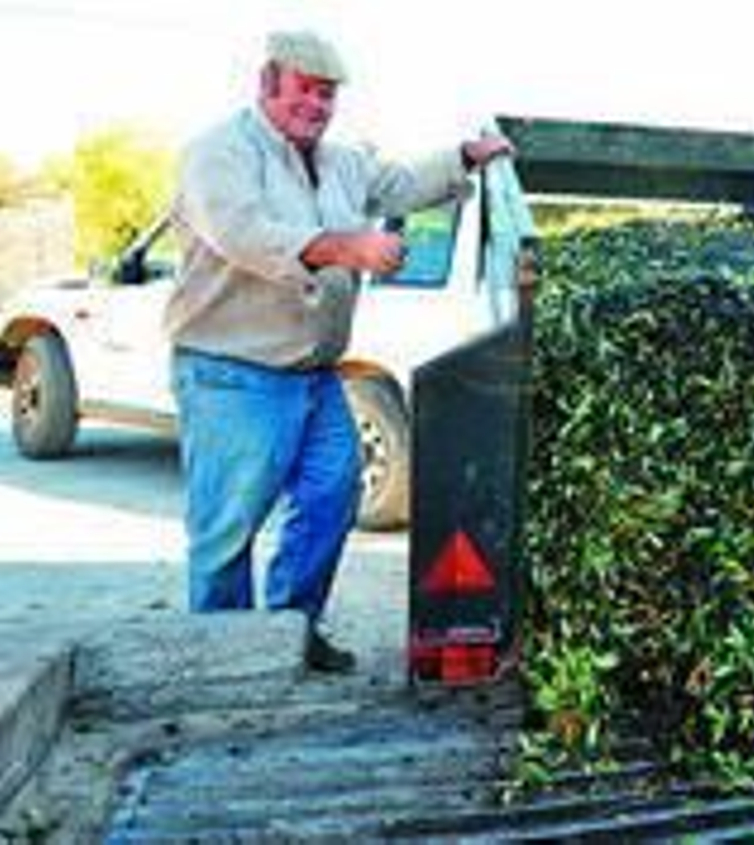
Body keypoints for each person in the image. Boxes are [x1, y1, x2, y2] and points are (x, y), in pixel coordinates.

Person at [165, 30, 512, 672]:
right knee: (228, 526)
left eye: (327, 95)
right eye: (305, 90)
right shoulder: (219, 154)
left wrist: (465, 156)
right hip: (232, 372)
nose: (317, 105)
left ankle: (292, 632)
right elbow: (245, 235)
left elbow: (400, 184)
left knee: (332, 496)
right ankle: (222, 661)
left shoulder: (340, 162)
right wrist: (351, 248)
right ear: (268, 83)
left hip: (314, 373)